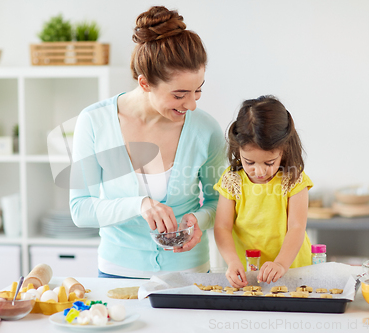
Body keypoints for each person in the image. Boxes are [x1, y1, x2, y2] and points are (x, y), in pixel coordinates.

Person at [69, 6, 226, 279]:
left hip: (190, 274)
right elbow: (81, 209)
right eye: (179, 95)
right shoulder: (94, 121)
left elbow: (218, 201)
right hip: (117, 272)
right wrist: (139, 204)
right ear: (144, 83)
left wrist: (198, 220)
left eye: (197, 90)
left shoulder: (206, 129)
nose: (191, 104)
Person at [213, 96, 313, 287]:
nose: (259, 171)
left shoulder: (293, 179)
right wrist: (232, 261)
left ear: (284, 149)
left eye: (269, 163)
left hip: (293, 271)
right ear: (237, 148)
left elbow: (296, 227)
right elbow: (222, 227)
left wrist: (281, 264)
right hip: (250, 274)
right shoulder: (232, 180)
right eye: (249, 162)